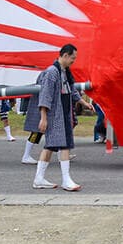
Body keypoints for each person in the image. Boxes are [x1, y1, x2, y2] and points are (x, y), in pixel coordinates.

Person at [31, 44, 90, 191]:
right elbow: (45, 96)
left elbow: (72, 91)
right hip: (55, 115)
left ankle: (39, 178)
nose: (73, 61)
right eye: (72, 58)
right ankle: (65, 179)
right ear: (65, 55)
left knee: (51, 146)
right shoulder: (52, 72)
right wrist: (43, 117)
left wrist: (83, 103)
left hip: (64, 114)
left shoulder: (65, 71)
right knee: (63, 145)